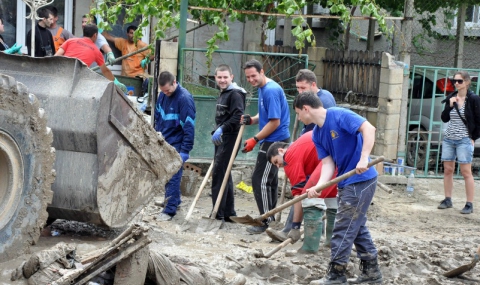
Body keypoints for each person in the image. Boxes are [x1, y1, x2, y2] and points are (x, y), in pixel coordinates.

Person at [294, 91, 381, 284]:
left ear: (306, 109)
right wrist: (318, 186)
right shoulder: (317, 134)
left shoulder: (339, 115)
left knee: (343, 226)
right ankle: (371, 273)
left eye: (298, 114)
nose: (299, 119)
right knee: (356, 227)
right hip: (345, 182)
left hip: (362, 179)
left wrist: (364, 158)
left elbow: (369, 129)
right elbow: (328, 164)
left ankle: (336, 274)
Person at [241, 59, 290, 234]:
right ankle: (270, 219)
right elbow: (266, 114)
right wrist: (252, 120)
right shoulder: (264, 88)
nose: (251, 79)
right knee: (268, 180)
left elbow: (274, 122)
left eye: (253, 75)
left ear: (262, 72)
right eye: (248, 77)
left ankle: (265, 221)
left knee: (259, 180)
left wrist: (254, 139)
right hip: (272, 138)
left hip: (274, 140)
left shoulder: (270, 91)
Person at [266, 131, 338, 249]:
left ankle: (310, 249)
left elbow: (299, 196)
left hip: (331, 163)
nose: (278, 166)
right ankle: (330, 243)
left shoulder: (289, 156)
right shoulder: (300, 146)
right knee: (332, 202)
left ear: (281, 151)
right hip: (341, 160)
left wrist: (295, 227)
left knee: (309, 198)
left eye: (276, 162)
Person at [154, 71, 196, 221]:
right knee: (166, 174)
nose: (166, 93)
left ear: (174, 82)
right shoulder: (163, 95)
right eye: (163, 91)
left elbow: (189, 126)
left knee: (172, 175)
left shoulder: (184, 99)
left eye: (168, 90)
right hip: (164, 140)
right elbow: (158, 117)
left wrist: (185, 150)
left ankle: (169, 210)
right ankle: (175, 200)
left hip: (177, 142)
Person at [438, 71, 480, 214]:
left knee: (466, 172)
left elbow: (478, 121)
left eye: (459, 81)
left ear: (467, 82)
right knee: (448, 170)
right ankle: (447, 199)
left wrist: (473, 137)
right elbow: (444, 119)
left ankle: (469, 203)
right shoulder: (451, 97)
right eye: (454, 81)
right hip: (449, 138)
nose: (456, 83)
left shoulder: (473, 99)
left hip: (464, 139)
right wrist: (450, 105)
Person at [210, 64, 246, 222]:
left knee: (219, 174)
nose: (222, 80)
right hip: (221, 138)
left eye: (225, 77)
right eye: (219, 77)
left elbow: (238, 117)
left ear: (232, 77)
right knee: (225, 174)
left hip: (230, 137)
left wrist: (222, 129)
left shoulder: (235, 94)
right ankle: (229, 213)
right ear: (215, 78)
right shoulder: (224, 92)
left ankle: (218, 213)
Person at [54, 24, 126, 92]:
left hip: (61, 76)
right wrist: (116, 82)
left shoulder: (70, 41)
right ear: (95, 35)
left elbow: (56, 57)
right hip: (76, 82)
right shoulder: (96, 51)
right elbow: (105, 71)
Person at [103, 25, 153, 95]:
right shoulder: (123, 43)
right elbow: (110, 38)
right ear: (127, 34)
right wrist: (99, 29)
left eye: (135, 33)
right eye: (131, 33)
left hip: (137, 78)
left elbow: (153, 55)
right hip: (125, 78)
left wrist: (146, 60)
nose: (133, 35)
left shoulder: (141, 45)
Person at [295, 69, 336, 133]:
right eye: (298, 87)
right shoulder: (326, 93)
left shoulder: (314, 104)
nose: (300, 92)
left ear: (313, 85)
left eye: (303, 88)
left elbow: (308, 134)